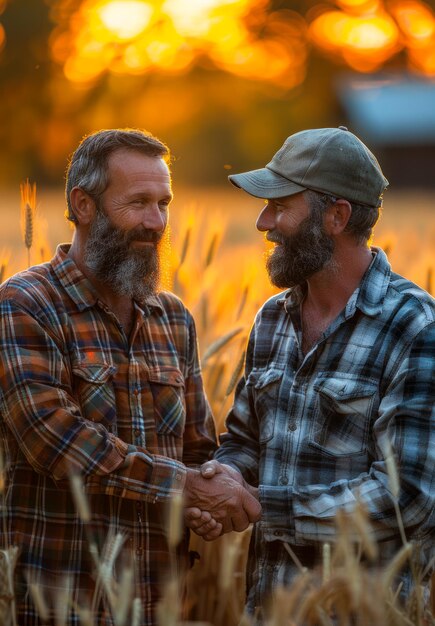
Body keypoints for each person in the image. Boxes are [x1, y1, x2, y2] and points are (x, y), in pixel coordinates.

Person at [0, 128, 260, 625]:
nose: (156, 222)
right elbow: (55, 440)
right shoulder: (26, 305)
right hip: (60, 603)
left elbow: (197, 448)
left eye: (164, 203)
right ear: (84, 205)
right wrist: (187, 488)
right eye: (138, 202)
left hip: (157, 604)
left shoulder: (173, 318)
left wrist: (208, 489)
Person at [187, 126, 435, 620]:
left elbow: (406, 497)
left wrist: (259, 505)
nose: (263, 222)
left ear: (336, 216)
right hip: (270, 607)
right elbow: (245, 438)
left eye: (280, 205)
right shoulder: (273, 319)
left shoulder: (415, 328)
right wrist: (225, 484)